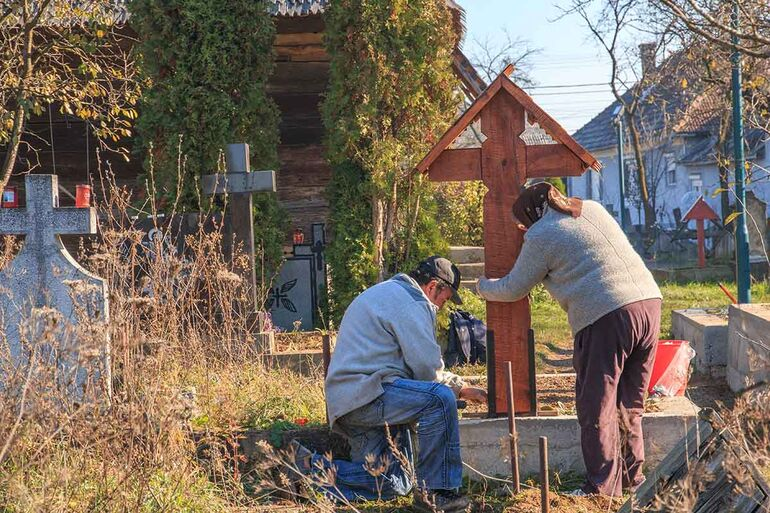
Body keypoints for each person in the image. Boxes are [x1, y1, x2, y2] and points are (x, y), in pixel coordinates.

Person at [476, 182, 662, 497]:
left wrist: (482, 286)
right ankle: (632, 480)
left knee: (596, 406)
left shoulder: (540, 235)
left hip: (606, 315)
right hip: (649, 305)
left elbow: (513, 288)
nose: (523, 229)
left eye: (523, 222)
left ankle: (600, 491)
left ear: (531, 214)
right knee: (630, 402)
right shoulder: (592, 208)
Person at [304, 256, 486, 512]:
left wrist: (465, 389)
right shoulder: (413, 303)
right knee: (441, 399)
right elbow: (426, 371)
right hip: (369, 393)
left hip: (352, 400)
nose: (441, 307)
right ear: (433, 286)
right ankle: (437, 494)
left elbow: (420, 371)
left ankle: (307, 472)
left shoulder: (391, 293)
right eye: (443, 300)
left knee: (395, 482)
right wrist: (457, 390)